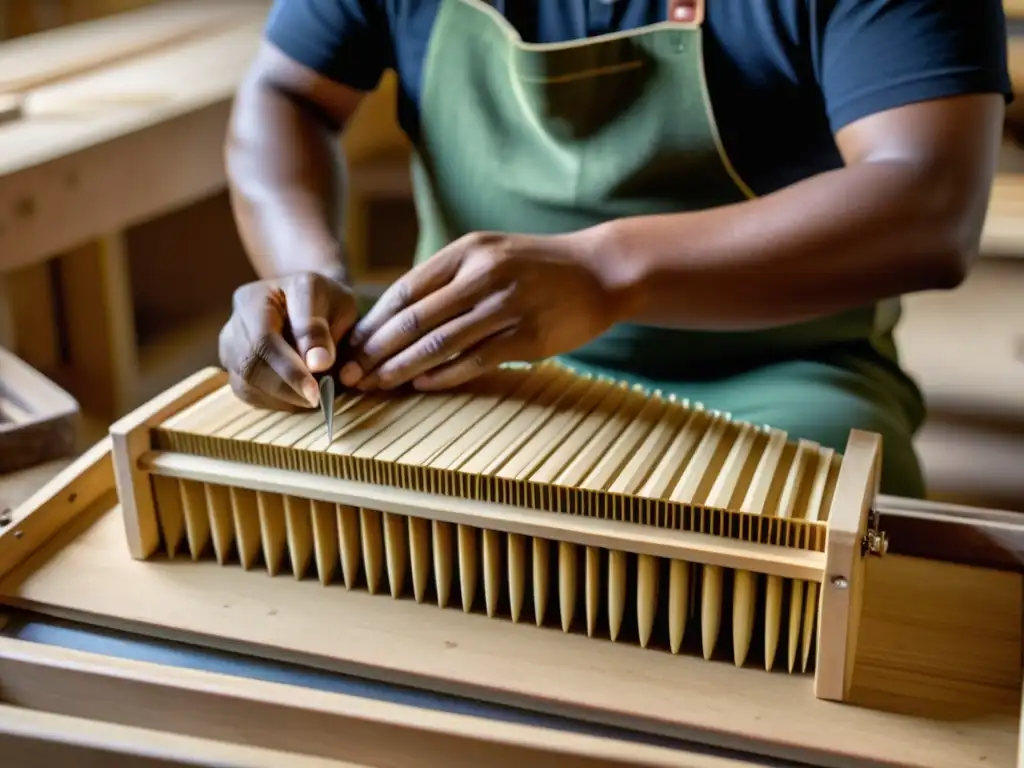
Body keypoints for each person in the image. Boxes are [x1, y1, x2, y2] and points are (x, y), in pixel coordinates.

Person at [218, 0, 1011, 498]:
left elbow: (928, 200)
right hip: (466, 359)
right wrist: (308, 270)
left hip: (779, 379)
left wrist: (608, 271)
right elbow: (285, 94)